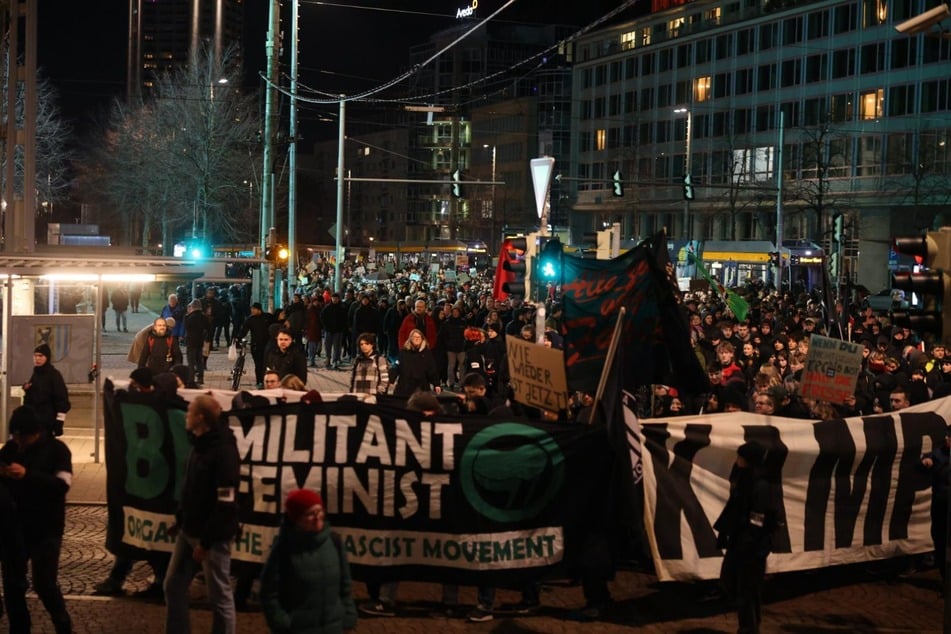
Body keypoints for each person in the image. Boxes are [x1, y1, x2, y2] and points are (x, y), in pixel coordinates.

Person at [164, 395, 241, 634]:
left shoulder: (222, 451)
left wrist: (206, 542)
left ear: (199, 418)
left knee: (219, 597)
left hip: (211, 537)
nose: (185, 417)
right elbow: (191, 487)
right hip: (189, 529)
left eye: (189, 413)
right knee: (173, 585)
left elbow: (224, 502)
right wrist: (180, 518)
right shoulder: (200, 443)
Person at [0, 405, 73, 633]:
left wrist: (27, 475)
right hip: (14, 527)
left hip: (46, 527)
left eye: (23, 437)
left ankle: (62, 623)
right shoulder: (12, 448)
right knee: (13, 584)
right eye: (15, 436)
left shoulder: (57, 450)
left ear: (35, 432)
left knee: (44, 583)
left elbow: (62, 485)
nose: (18, 441)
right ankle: (19, 628)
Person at [260, 488, 357, 633]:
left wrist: (348, 614)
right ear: (296, 519)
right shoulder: (284, 548)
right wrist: (281, 622)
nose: (317, 517)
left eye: (319, 511)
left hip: (333, 628)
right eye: (310, 514)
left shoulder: (334, 541)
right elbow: (268, 592)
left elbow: (345, 584)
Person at [714, 441, 781, 634]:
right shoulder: (746, 478)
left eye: (740, 456)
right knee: (734, 582)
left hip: (751, 545)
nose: (737, 460)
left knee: (748, 590)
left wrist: (750, 540)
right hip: (741, 540)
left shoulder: (760, 484)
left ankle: (749, 628)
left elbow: (758, 516)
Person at [921, 425, 951, 582]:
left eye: (950, 436)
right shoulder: (939, 453)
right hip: (941, 504)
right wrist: (926, 461)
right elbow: (926, 458)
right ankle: (945, 578)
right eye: (947, 435)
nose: (947, 438)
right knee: (939, 539)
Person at [22, 343, 71, 437]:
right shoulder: (36, 373)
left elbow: (62, 400)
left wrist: (59, 422)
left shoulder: (54, 375)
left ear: (47, 357)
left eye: (41, 356)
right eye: (35, 356)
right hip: (34, 422)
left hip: (48, 422)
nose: (37, 359)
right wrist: (27, 389)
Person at [393, 328, 441, 400]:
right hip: (405, 387)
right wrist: (391, 379)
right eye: (415, 337)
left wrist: (436, 384)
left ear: (422, 339)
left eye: (419, 337)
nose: (417, 339)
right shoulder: (403, 353)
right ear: (410, 339)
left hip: (422, 388)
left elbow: (432, 369)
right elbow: (396, 367)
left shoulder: (427, 354)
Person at [235, 302, 275, 388]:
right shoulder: (250, 319)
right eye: (251, 309)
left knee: (267, 364)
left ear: (259, 309)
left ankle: (266, 380)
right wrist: (238, 338)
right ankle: (259, 381)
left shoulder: (268, 317)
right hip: (256, 345)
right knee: (258, 364)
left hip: (267, 345)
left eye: (254, 309)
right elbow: (244, 330)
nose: (252, 311)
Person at [350, 332, 390, 397]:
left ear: (372, 345)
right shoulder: (358, 360)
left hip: (372, 396)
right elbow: (353, 378)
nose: (364, 346)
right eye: (361, 344)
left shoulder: (379, 359)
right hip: (358, 395)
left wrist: (379, 393)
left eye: (367, 344)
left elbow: (385, 379)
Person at [183, 299, 212, 386]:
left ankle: (191, 379)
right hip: (200, 341)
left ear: (192, 307)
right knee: (199, 360)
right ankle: (200, 378)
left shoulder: (190, 317)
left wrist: (187, 315)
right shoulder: (204, 317)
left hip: (191, 342)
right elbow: (209, 329)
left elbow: (187, 327)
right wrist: (207, 339)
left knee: (191, 361)